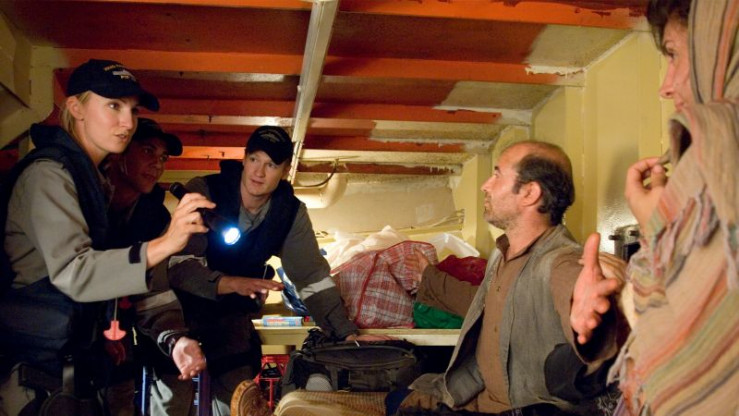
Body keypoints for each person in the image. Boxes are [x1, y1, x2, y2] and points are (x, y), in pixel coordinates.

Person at [0, 59, 212, 415]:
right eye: (113, 106)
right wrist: (167, 243)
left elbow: (129, 290)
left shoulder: (93, 185)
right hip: (33, 375)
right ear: (75, 107)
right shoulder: (48, 175)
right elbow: (75, 272)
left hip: (71, 372)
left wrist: (106, 331)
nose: (127, 122)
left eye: (132, 109)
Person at [571, 0, 739, 414]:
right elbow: (691, 314)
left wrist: (658, 229)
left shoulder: (717, 153)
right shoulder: (702, 168)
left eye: (676, 54)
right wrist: (610, 308)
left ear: (716, 48)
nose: (665, 86)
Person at [158, 125, 385, 416]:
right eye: (254, 159)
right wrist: (230, 283)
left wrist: (345, 333)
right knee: (172, 402)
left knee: (237, 399)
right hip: (179, 313)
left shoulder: (288, 212)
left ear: (285, 170)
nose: (259, 172)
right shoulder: (205, 191)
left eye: (271, 165)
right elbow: (178, 267)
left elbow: (312, 277)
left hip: (231, 316)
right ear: (244, 158)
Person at [387, 141, 625, 416]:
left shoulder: (561, 260)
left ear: (529, 193)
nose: (485, 185)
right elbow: (483, 306)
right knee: (397, 397)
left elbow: (573, 290)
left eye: (497, 174)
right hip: (475, 393)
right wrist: (429, 276)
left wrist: (596, 320)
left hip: (517, 409)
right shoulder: (503, 254)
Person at [103, 118, 206, 415]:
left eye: (163, 157)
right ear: (120, 151)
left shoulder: (153, 217)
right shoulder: (85, 200)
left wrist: (176, 340)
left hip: (117, 338)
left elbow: (155, 293)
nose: (158, 164)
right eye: (148, 151)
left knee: (120, 400)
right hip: (65, 342)